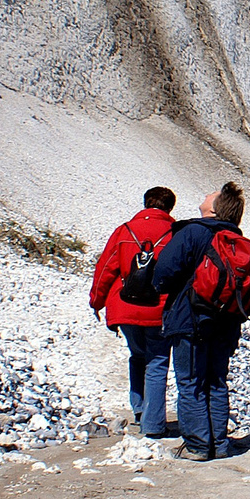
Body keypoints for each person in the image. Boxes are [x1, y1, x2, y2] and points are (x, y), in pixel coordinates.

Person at [153, 182, 250, 461]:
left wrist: (163, 288)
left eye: (211, 194)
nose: (206, 195)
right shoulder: (236, 239)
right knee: (217, 381)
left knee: (191, 381)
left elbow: (165, 271)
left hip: (191, 318)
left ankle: (197, 446)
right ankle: (219, 444)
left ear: (214, 207)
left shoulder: (194, 232)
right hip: (227, 320)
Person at [89, 186, 177, 438]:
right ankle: (153, 424)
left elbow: (106, 267)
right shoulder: (174, 232)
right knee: (158, 361)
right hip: (159, 307)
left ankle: (139, 410)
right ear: (170, 207)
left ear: (145, 203)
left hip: (125, 306)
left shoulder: (124, 230)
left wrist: (97, 301)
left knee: (137, 355)